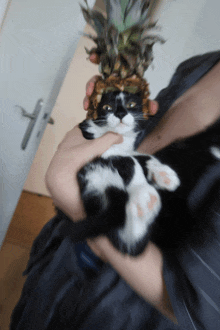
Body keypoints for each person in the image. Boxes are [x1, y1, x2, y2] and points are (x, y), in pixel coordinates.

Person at [10, 51, 220, 330]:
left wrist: (77, 201)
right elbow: (136, 143)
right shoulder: (199, 64)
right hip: (58, 276)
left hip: (115, 318)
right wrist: (102, 125)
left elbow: (205, 312)